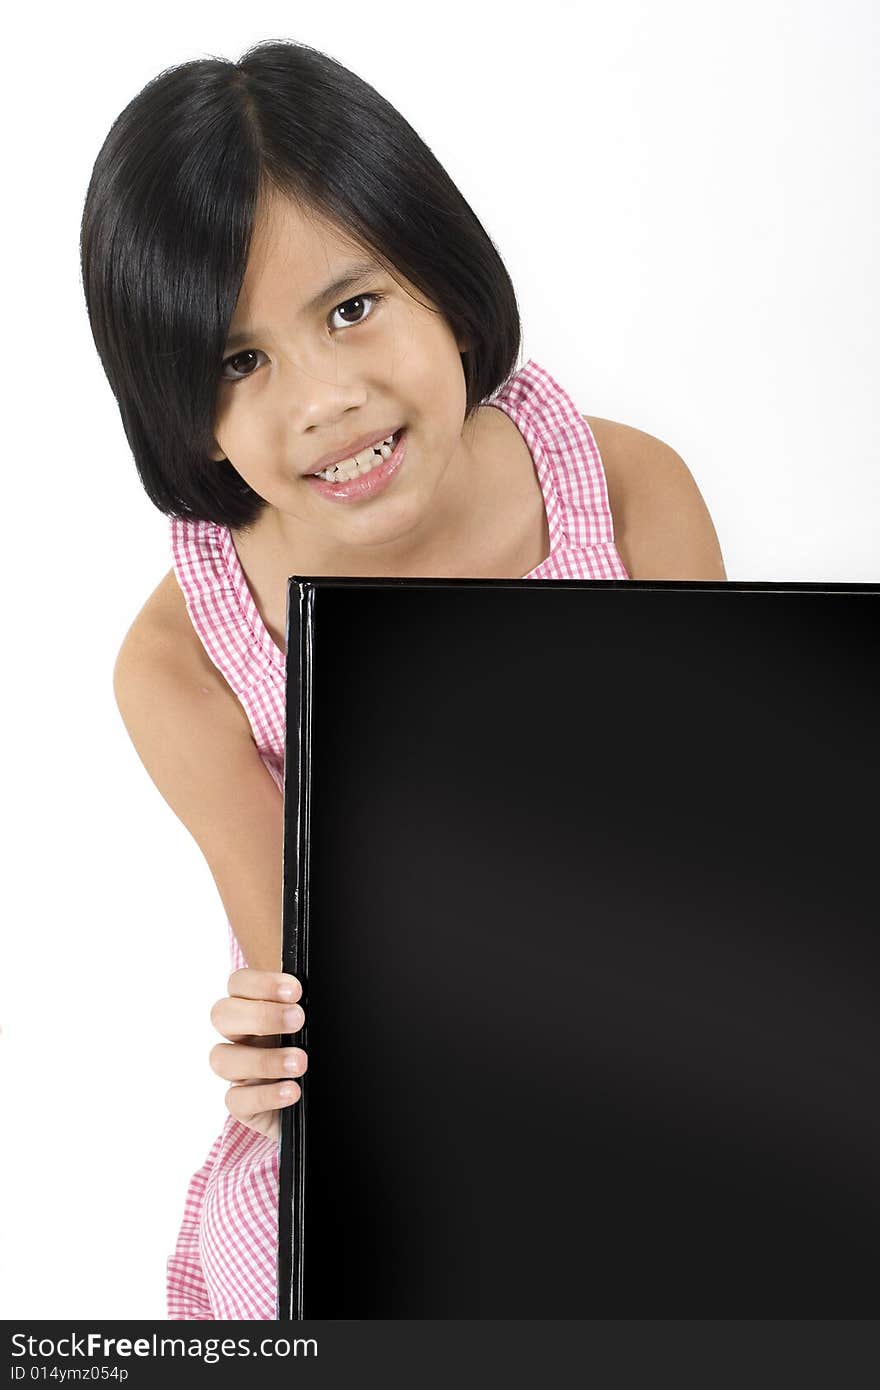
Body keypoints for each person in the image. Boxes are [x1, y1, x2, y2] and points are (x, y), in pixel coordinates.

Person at [81, 38, 726, 1320]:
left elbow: (721, 850)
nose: (323, 397)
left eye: (351, 307)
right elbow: (337, 1006)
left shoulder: (625, 487)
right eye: (236, 360)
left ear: (441, 273)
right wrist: (280, 1044)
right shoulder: (183, 660)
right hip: (413, 1107)